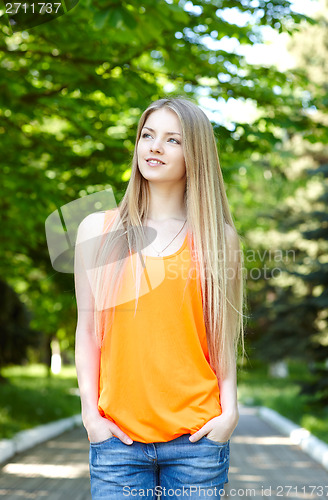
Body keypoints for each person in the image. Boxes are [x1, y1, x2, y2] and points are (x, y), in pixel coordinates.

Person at [74, 96, 246, 500]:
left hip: (198, 441)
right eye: (148, 135)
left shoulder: (219, 239)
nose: (154, 146)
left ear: (196, 154)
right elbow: (87, 333)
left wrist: (230, 411)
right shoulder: (95, 230)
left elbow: (222, 337)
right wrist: (90, 417)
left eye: (173, 140)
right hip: (117, 442)